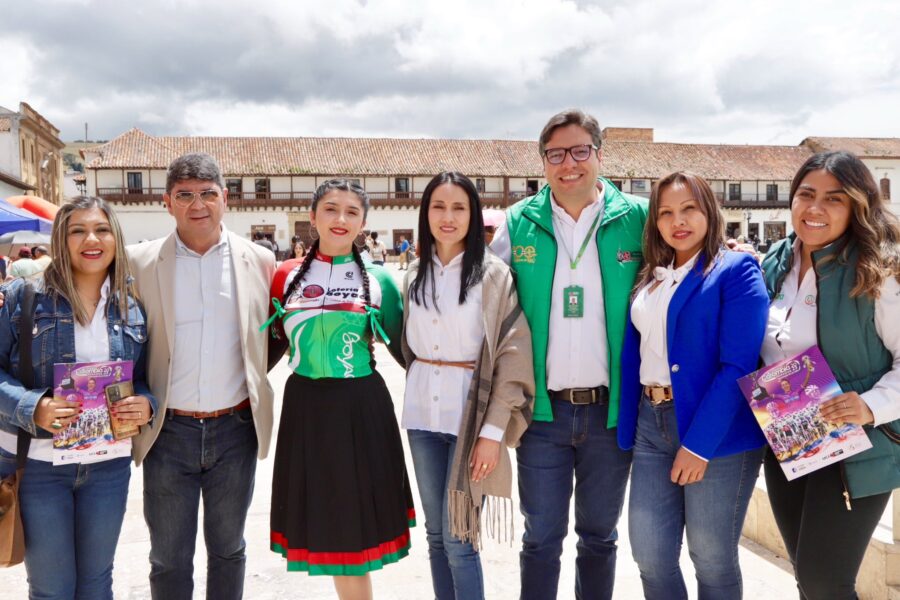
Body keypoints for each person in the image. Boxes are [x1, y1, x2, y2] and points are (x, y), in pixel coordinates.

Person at [490, 109, 648, 599]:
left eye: (581, 151)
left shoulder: (639, 218)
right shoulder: (518, 224)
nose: (569, 163)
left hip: (610, 413)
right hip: (543, 413)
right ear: (543, 163)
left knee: (599, 538)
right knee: (540, 538)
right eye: (556, 154)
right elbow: (486, 305)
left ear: (600, 156)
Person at [127, 153, 276, 600]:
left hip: (235, 430)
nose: (198, 205)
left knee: (229, 550)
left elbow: (274, 339)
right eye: (185, 195)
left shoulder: (261, 261)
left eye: (208, 194)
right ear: (167, 201)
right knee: (168, 558)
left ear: (225, 199)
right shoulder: (139, 263)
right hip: (168, 432)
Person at [617, 172, 769, 599]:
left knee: (712, 559)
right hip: (651, 422)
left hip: (714, 432)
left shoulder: (736, 270)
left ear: (709, 211)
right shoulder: (653, 274)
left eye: (689, 209)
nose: (677, 221)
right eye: (665, 212)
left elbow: (738, 364)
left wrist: (699, 444)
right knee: (650, 555)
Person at [760, 151, 900, 599]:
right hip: (788, 435)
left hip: (856, 445)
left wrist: (870, 406)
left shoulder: (877, 270)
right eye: (806, 194)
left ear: (858, 205)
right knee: (809, 577)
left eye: (834, 199)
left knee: (825, 582)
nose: (815, 208)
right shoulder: (773, 263)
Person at [265, 179, 414, 600]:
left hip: (361, 406)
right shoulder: (284, 276)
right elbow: (267, 350)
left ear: (363, 222)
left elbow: (405, 351)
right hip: (306, 408)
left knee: (355, 527)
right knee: (330, 524)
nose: (340, 219)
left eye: (351, 212)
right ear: (312, 217)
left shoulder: (380, 279)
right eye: (330, 209)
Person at [0, 195, 154, 598]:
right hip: (41, 468)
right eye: (78, 230)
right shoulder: (24, 298)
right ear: (61, 239)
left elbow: (141, 379)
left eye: (102, 229)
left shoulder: (131, 306)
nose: (92, 238)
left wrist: (146, 403)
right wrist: (33, 407)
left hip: (108, 468)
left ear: (115, 238)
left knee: (96, 584)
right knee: (51, 589)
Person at [401, 172, 535, 600]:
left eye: (459, 207)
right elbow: (404, 344)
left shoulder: (493, 276)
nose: (448, 216)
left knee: (460, 537)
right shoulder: (411, 275)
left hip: (470, 419)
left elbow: (514, 359)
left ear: (473, 216)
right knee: (436, 534)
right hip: (422, 415)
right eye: (438, 206)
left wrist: (492, 433)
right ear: (425, 214)